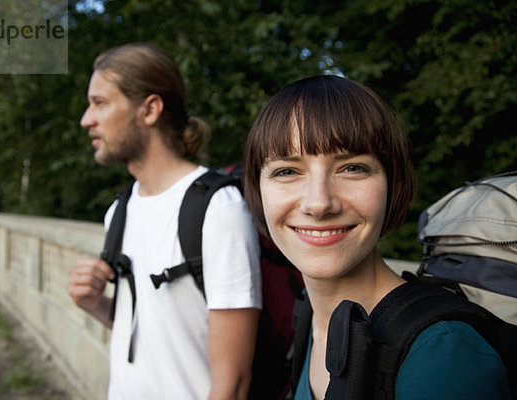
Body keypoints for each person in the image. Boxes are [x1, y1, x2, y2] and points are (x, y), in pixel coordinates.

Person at [242, 75, 511, 399]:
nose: (319, 203)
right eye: (287, 171)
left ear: (392, 184)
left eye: (352, 168)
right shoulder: (314, 316)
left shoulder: (440, 355)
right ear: (257, 190)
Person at [68, 42, 262, 400]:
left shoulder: (218, 209)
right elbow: (158, 331)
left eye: (100, 103)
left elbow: (233, 382)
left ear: (150, 109)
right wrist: (95, 303)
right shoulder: (121, 209)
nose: (86, 119)